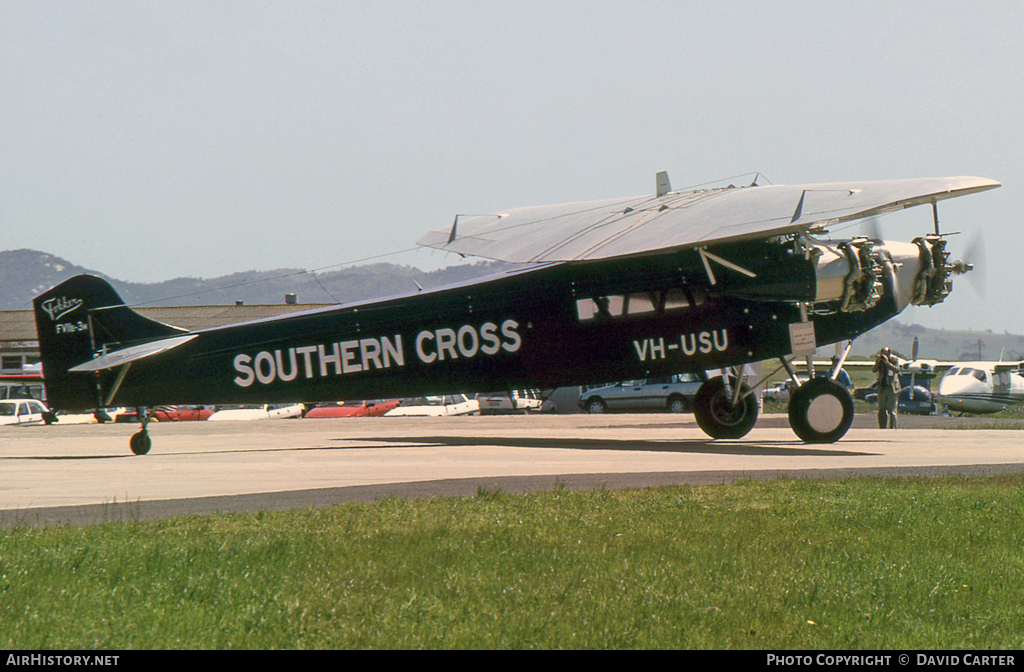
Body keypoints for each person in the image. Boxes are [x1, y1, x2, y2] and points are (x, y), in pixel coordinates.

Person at [872, 347, 901, 429]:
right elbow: (874, 370)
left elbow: (897, 369)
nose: (884, 355)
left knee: (892, 410)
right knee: (881, 409)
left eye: (886, 353)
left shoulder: (894, 359)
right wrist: (878, 362)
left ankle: (893, 428)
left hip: (892, 387)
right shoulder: (880, 360)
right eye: (883, 353)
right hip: (882, 387)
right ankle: (882, 427)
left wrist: (887, 363)